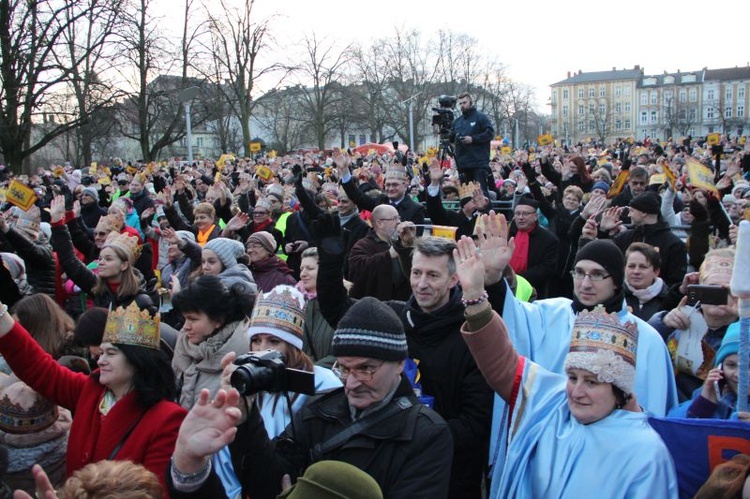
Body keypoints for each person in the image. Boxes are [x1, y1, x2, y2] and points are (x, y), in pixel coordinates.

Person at [453, 234, 678, 498]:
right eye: (572, 377)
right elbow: (501, 360)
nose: (577, 391)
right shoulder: (551, 403)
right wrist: (480, 291)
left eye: (592, 381)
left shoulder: (646, 452)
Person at [167, 296, 453, 499]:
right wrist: (244, 419)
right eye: (344, 368)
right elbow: (266, 485)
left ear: (400, 364)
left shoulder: (428, 433)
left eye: (366, 369)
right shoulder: (320, 409)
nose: (352, 383)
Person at [316, 225, 493, 498]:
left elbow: (476, 423)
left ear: (453, 280)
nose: (422, 284)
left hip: (448, 477)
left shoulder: (472, 335)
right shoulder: (392, 317)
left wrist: (417, 436)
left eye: (433, 275)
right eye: (416, 273)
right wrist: (330, 262)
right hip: (387, 467)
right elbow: (338, 311)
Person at [0, 301, 186, 497]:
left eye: (111, 353)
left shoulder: (167, 420)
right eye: (102, 352)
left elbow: (154, 493)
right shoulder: (92, 390)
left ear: (138, 361)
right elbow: (39, 368)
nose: (100, 360)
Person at [649, 248, 738, 401]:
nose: (720, 295)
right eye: (713, 287)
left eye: (728, 289)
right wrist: (662, 323)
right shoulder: (677, 323)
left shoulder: (744, 333)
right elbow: (641, 348)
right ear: (699, 288)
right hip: (674, 412)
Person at [171, 275, 253, 410]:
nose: (185, 326)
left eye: (193, 319)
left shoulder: (241, 357)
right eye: (184, 318)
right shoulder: (184, 344)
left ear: (218, 320)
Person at [668, 321, 746, 419]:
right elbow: (672, 427)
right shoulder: (714, 396)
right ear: (720, 367)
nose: (739, 374)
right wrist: (703, 404)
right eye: (731, 365)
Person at [347, 204, 412, 301]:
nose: (399, 222)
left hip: (402, 303)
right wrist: (388, 255)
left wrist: (410, 241)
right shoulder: (362, 246)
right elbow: (359, 271)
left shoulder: (398, 242)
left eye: (399, 218)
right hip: (377, 305)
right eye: (394, 218)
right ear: (379, 223)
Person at [507, 195, 559, 298]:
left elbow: (547, 268)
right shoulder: (508, 234)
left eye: (525, 214)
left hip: (534, 291)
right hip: (507, 287)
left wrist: (517, 279)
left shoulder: (549, 239)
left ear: (535, 216)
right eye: (517, 214)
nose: (520, 217)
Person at [296, 248, 336, 367]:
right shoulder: (294, 303)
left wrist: (315, 370)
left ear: (326, 270)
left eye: (310, 268)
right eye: (301, 269)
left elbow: (345, 352)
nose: (303, 274)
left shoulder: (342, 306)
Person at [451, 92, 494, 196]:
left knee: (480, 193)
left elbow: (489, 133)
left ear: (470, 101)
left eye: (464, 102)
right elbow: (451, 137)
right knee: (466, 195)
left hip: (478, 162)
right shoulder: (458, 122)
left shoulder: (480, 118)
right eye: (460, 103)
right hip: (463, 163)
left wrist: (473, 139)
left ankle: (485, 212)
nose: (462, 105)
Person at [624, 242, 671, 321]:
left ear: (656, 272)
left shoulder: (669, 300)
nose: (636, 271)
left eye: (643, 267)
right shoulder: (615, 296)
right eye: (631, 266)